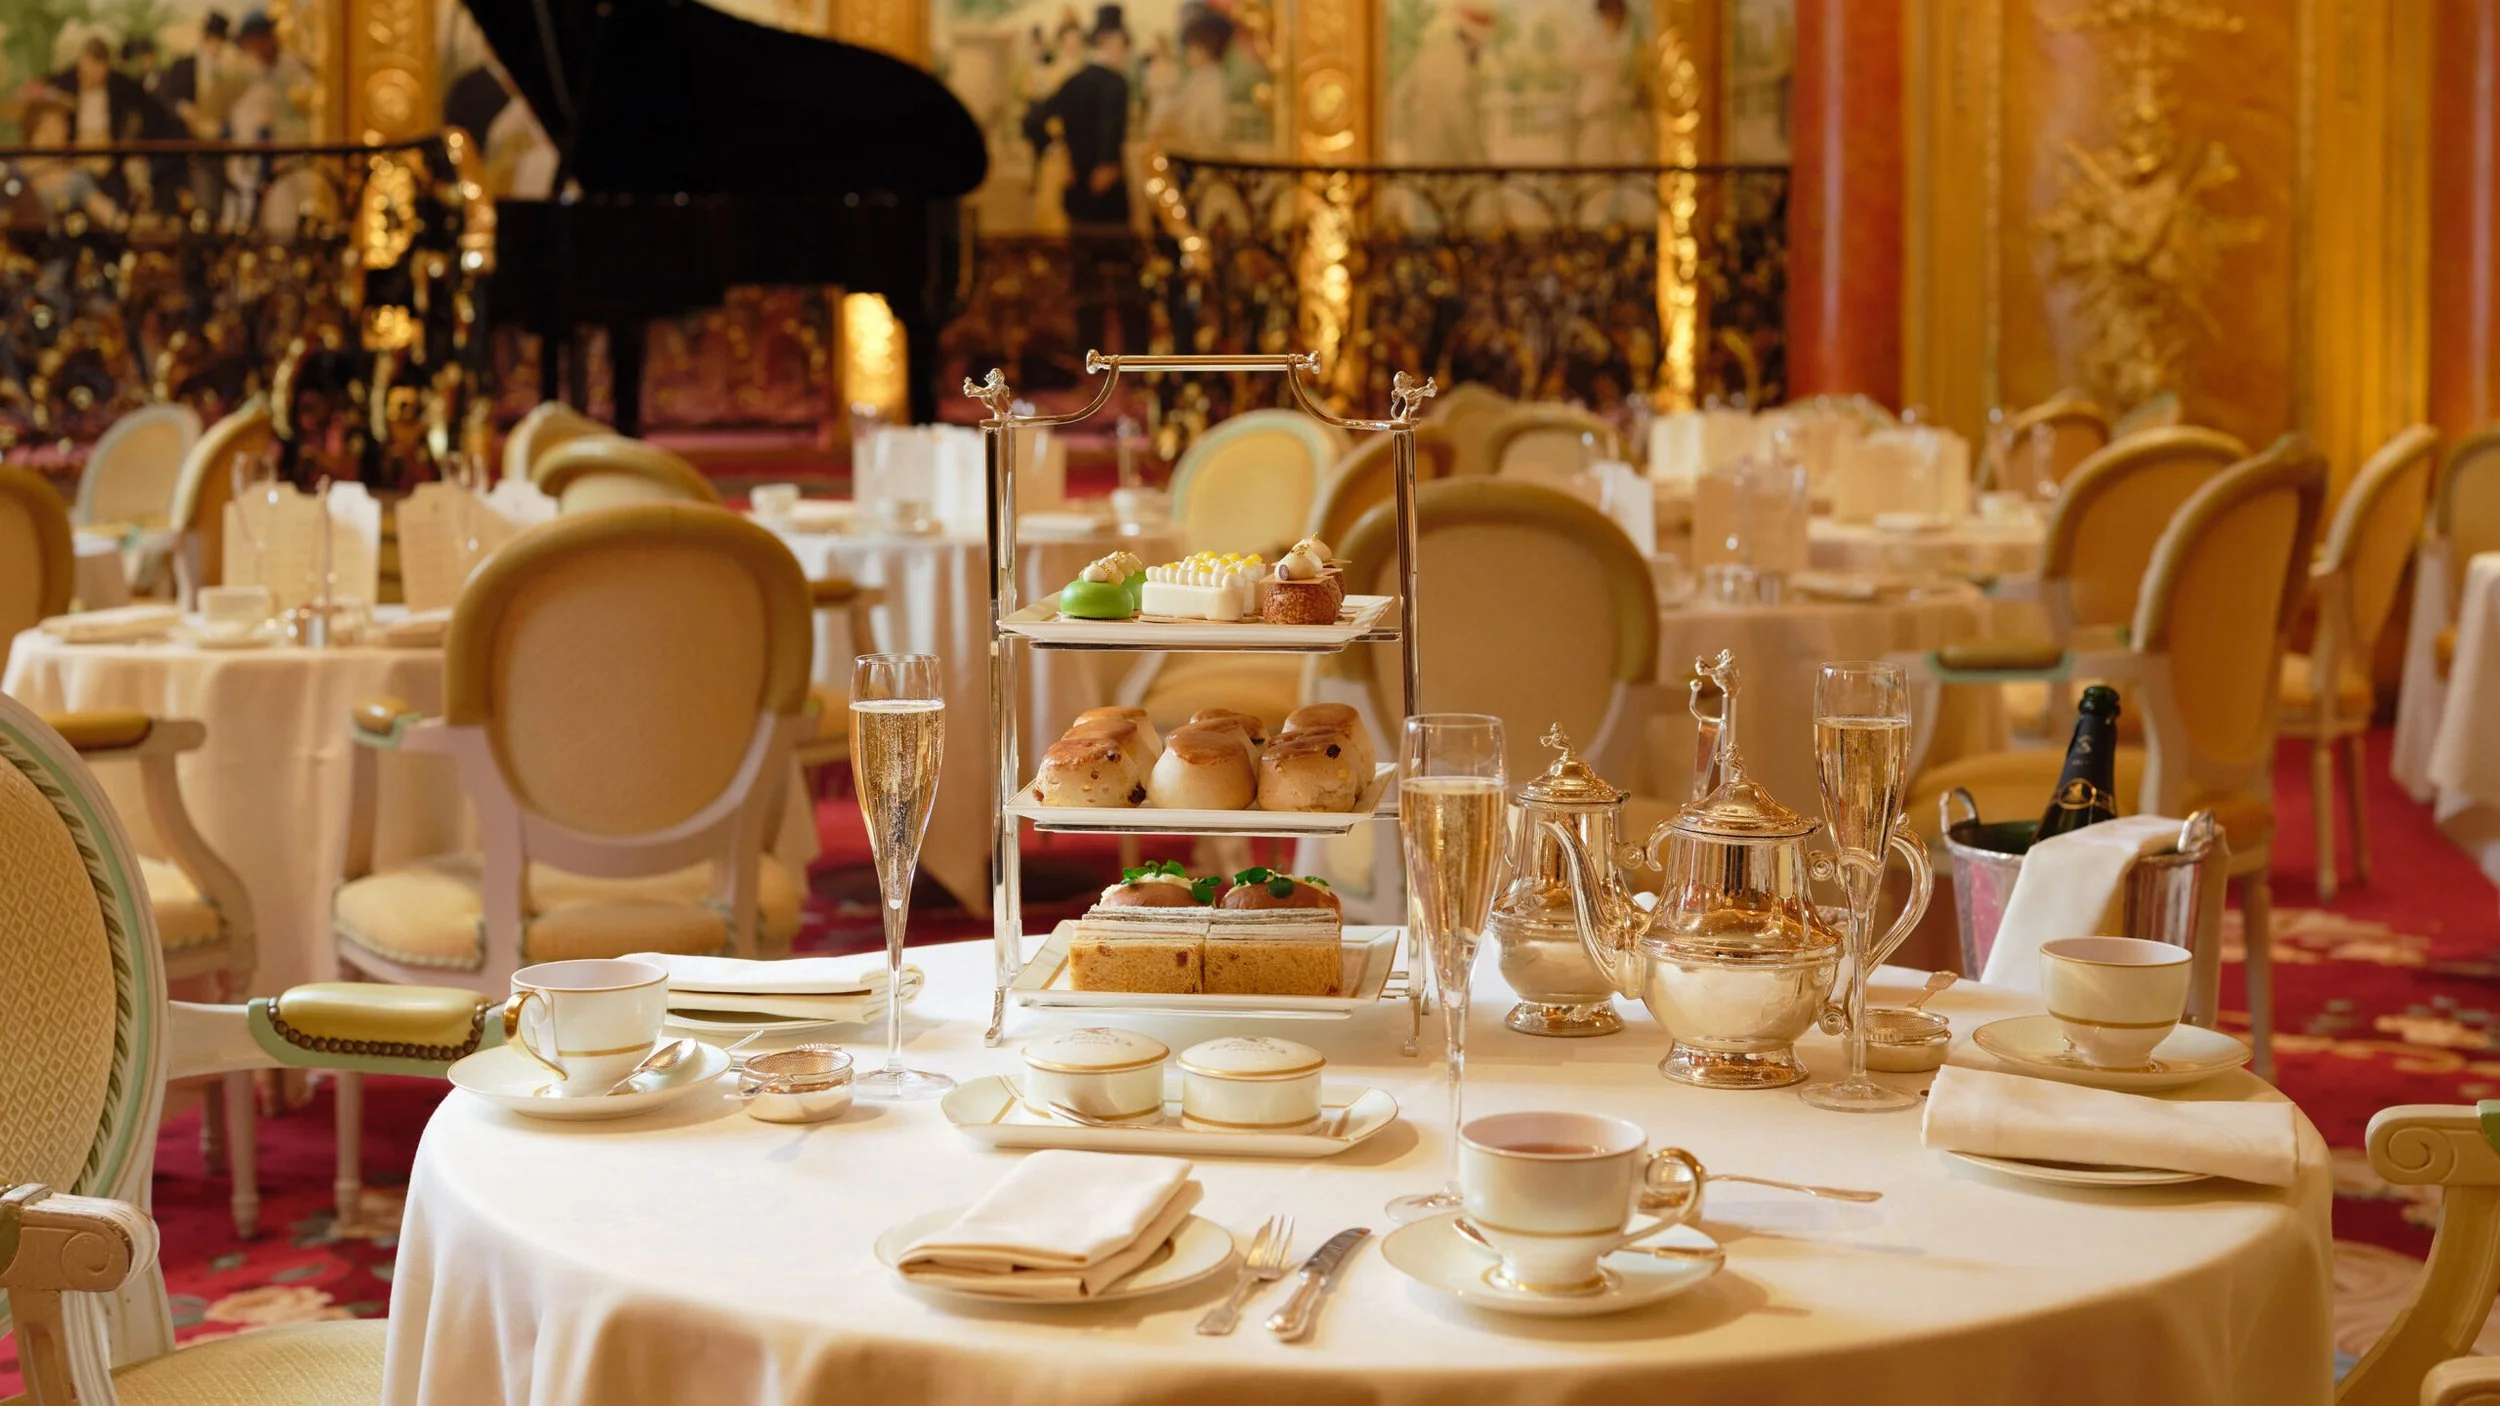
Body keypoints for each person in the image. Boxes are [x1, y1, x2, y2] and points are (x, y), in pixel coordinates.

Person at [1023, 4, 1132, 229]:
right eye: (1122, 44)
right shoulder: (1116, 83)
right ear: (1109, 41)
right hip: (1108, 189)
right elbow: (1109, 128)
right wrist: (1105, 163)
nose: (1124, 51)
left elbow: (1033, 120)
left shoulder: (1074, 82)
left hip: (1077, 186)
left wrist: (1054, 148)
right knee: (1112, 251)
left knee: (1080, 249)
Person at [1147, 5, 1233, 155]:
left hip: (1202, 158)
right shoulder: (1198, 77)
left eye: (1192, 47)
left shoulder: (1214, 81)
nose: (1188, 52)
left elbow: (1213, 132)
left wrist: (1177, 130)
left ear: (1206, 48)